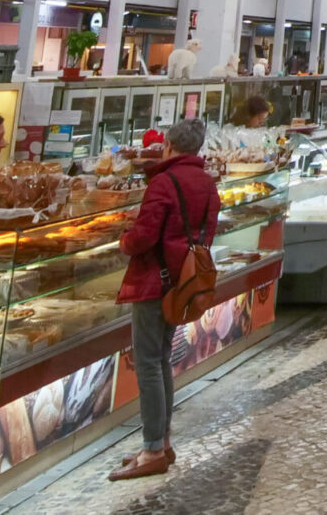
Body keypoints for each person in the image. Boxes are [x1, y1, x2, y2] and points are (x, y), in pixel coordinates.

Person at [108, 118, 218, 480]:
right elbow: (207, 233)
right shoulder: (207, 182)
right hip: (183, 284)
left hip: (154, 282)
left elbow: (144, 237)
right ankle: (161, 441)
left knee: (148, 364)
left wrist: (124, 240)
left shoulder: (163, 182)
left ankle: (153, 449)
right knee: (161, 360)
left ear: (168, 146)